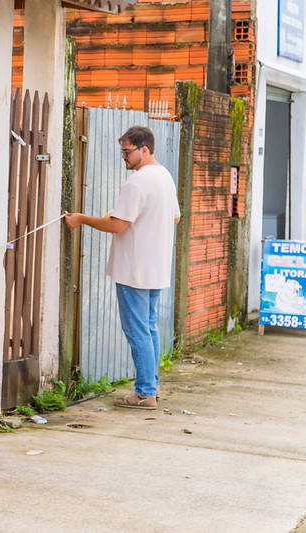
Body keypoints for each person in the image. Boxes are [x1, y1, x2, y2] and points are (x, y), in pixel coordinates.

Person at [64, 125, 180, 411]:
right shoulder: (164, 176)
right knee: (149, 327)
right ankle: (150, 386)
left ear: (144, 150)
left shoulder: (136, 183)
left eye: (127, 152)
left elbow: (117, 225)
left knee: (137, 330)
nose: (124, 157)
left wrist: (80, 218)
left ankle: (144, 393)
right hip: (155, 266)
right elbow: (174, 218)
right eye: (122, 151)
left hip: (134, 268)